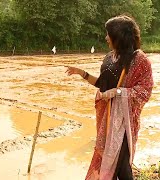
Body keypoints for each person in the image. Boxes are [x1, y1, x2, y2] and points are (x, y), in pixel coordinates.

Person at [65, 15, 153, 179]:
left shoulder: (140, 60)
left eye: (109, 34)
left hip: (124, 123)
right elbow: (102, 84)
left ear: (119, 37)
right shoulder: (110, 58)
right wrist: (81, 73)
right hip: (107, 120)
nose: (106, 38)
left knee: (122, 167)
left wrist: (119, 93)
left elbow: (145, 90)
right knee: (108, 162)